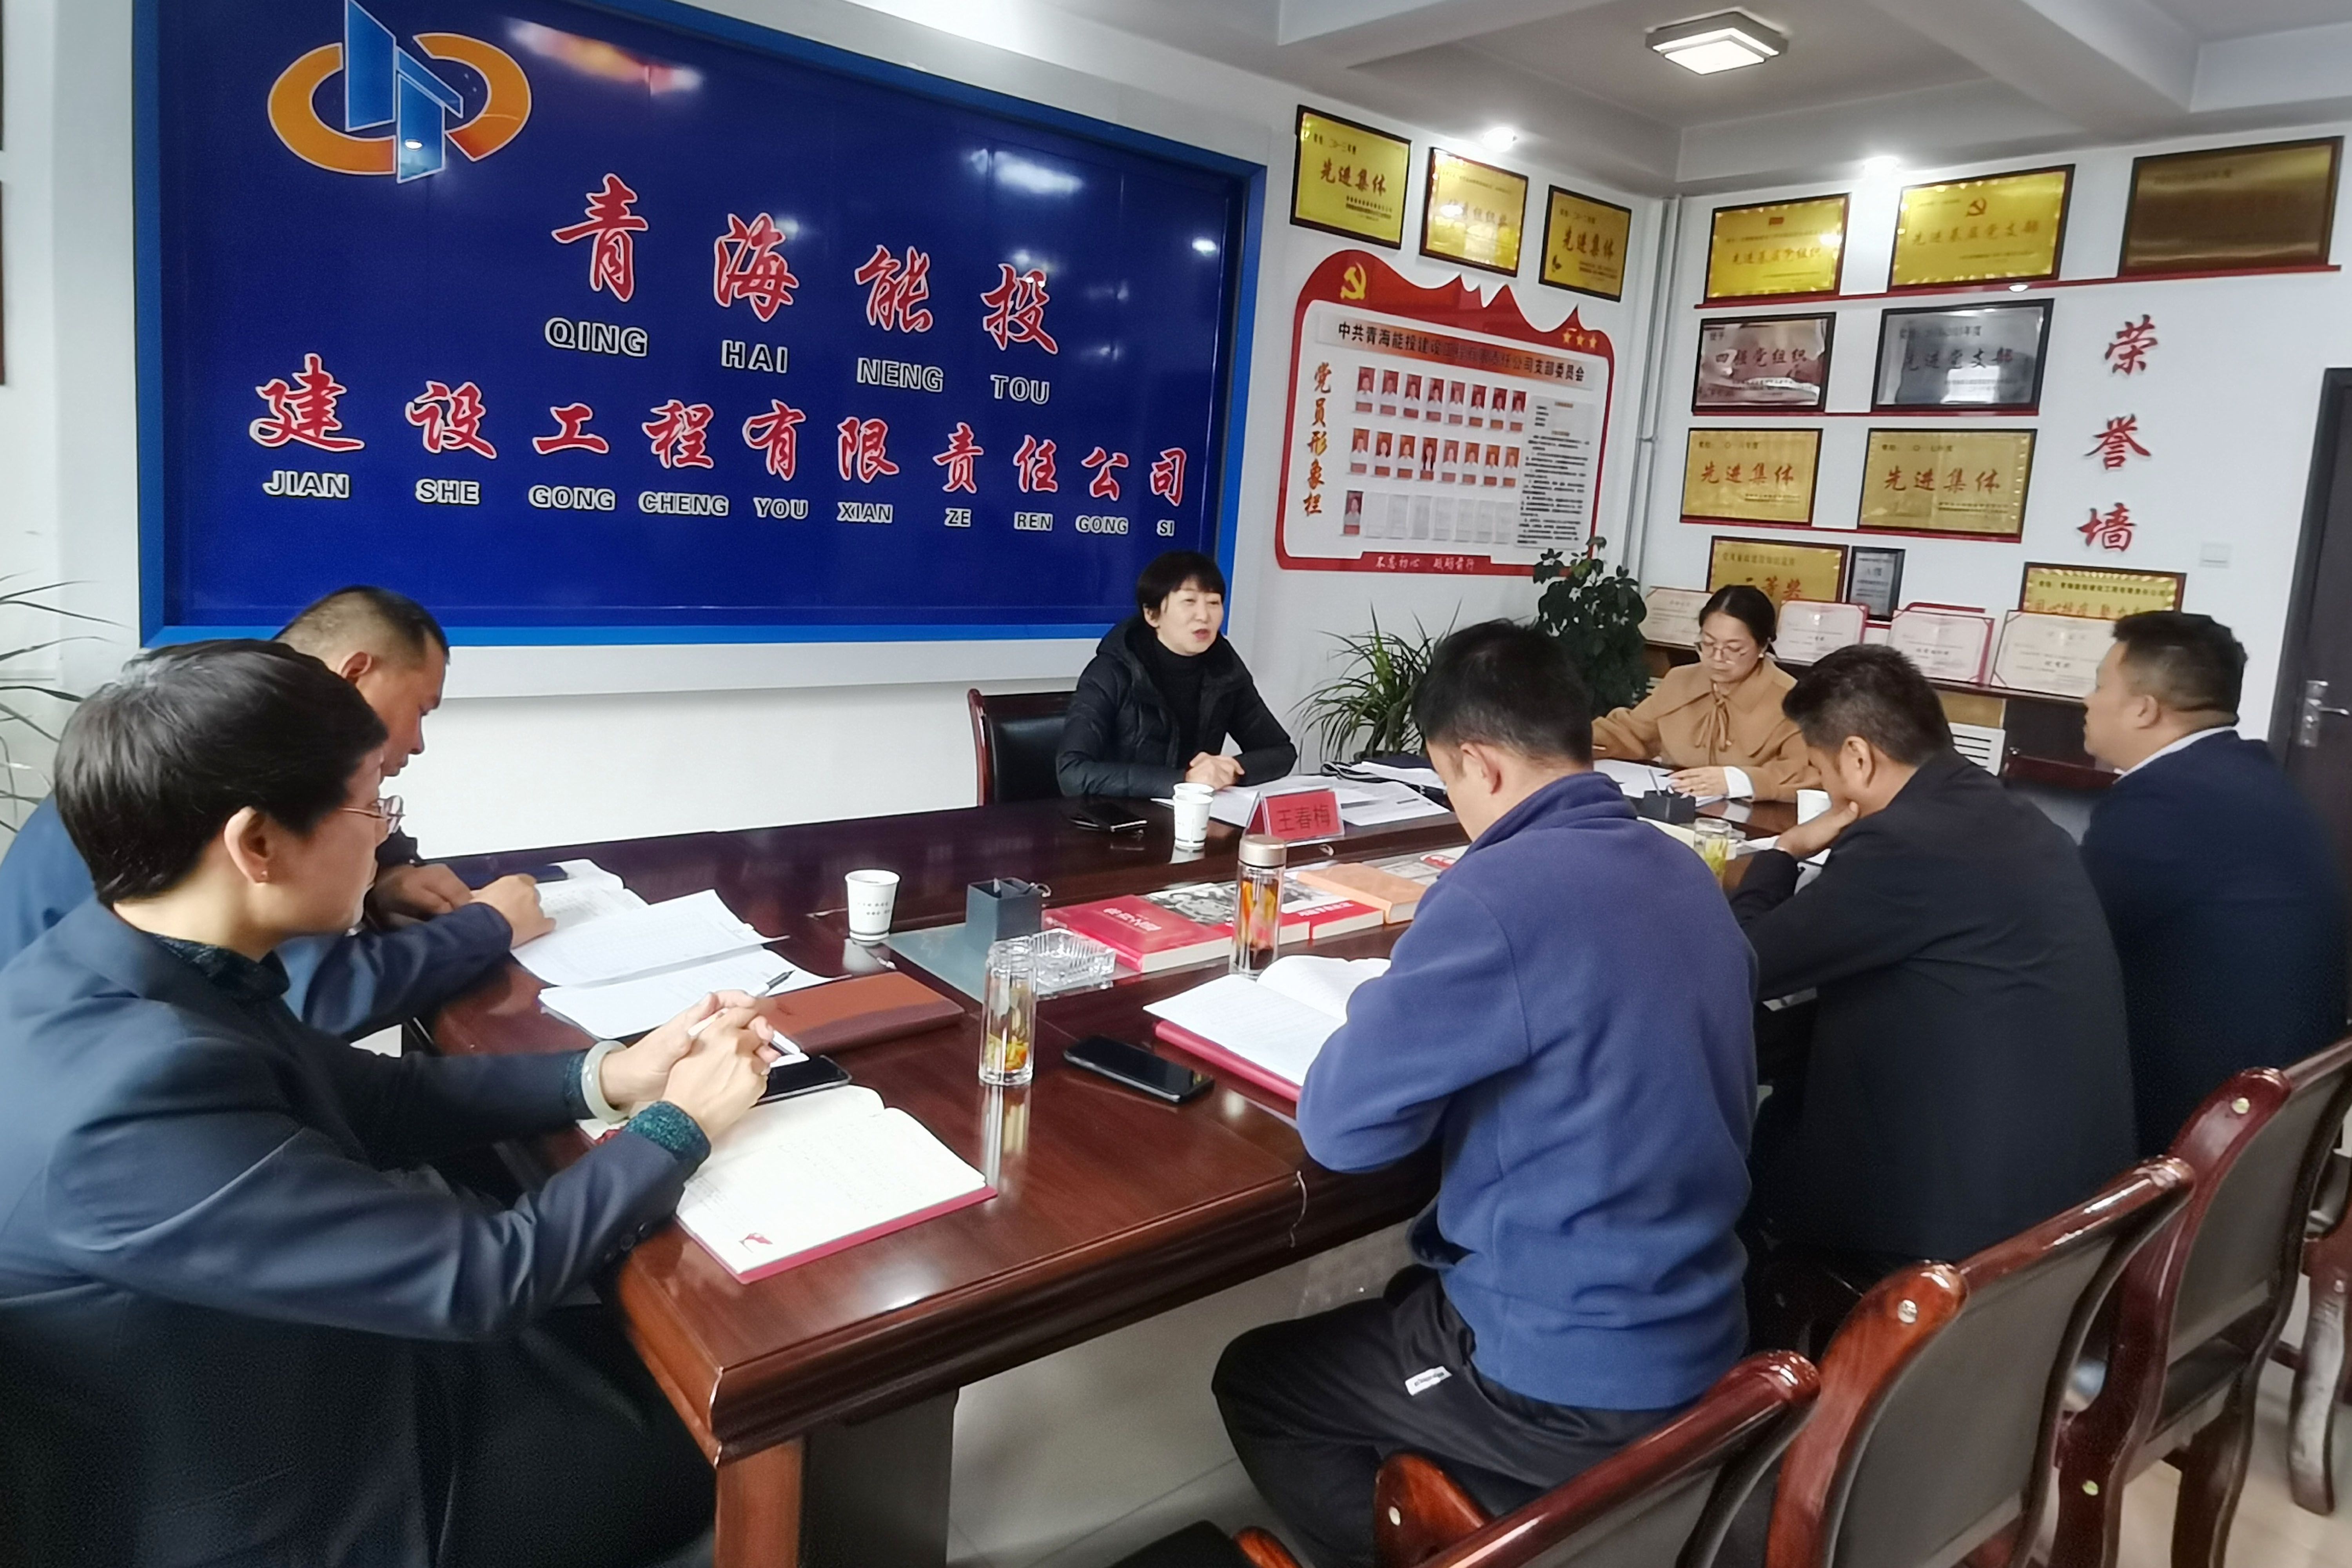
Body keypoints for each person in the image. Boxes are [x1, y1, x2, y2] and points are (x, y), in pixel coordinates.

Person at [0, 641, 783, 1568]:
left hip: (311, 1345)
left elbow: (370, 1093)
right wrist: (677, 1124)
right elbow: (483, 1278)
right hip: (321, 1489)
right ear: (257, 844)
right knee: (737, 1425)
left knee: (623, 1325)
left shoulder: (115, 951)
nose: (384, 837)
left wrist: (610, 1076)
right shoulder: (129, 1106)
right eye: (373, 802)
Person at [1212, 621, 1756, 1568]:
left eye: (1448, 783)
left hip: (1564, 1359)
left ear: (1479, 763)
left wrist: (1381, 1002)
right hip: (1708, 1314)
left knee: (1261, 1381)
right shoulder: (1682, 866)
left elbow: (1342, 1129)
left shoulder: (1496, 890)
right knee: (1406, 1304)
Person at [1731, 645, 2134, 1274]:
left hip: (1961, 1222)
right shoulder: (2010, 813)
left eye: (1820, 769)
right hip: (2068, 1189)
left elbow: (1745, 962)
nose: (1826, 789)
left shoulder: (1901, 843)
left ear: (1858, 757)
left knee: (1732, 1173)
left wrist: (1782, 853)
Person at [0, 585, 543, 1040]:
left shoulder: (233, 713)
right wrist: (488, 927)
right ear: (355, 674)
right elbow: (318, 1000)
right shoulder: (238, 751)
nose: (420, 742)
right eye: (421, 710)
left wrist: (388, 876)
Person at [2080, 611, 2348, 1153]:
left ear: (2144, 709)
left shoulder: (2162, 805)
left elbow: (2063, 936)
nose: (2087, 701)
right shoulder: (2249, 776)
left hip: (2207, 1118)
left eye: (2100, 685)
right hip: (2285, 1104)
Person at [1057, 551, 1296, 798]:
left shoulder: (1224, 669)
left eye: (1213, 603)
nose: (1204, 616)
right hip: (1118, 815)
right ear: (1152, 615)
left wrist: (1232, 771)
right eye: (1189, 602)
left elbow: (1281, 751)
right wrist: (1184, 781)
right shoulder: (1111, 672)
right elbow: (1072, 773)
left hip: (1195, 812)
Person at [1590, 584, 1813, 801]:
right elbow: (1629, 732)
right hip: (1676, 802)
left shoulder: (1792, 698)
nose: (1717, 658)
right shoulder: (1680, 681)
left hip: (1755, 814)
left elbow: (1810, 771)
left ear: (1763, 646)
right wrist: (1577, 740)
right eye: (1708, 644)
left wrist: (1738, 781)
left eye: (1734, 649)